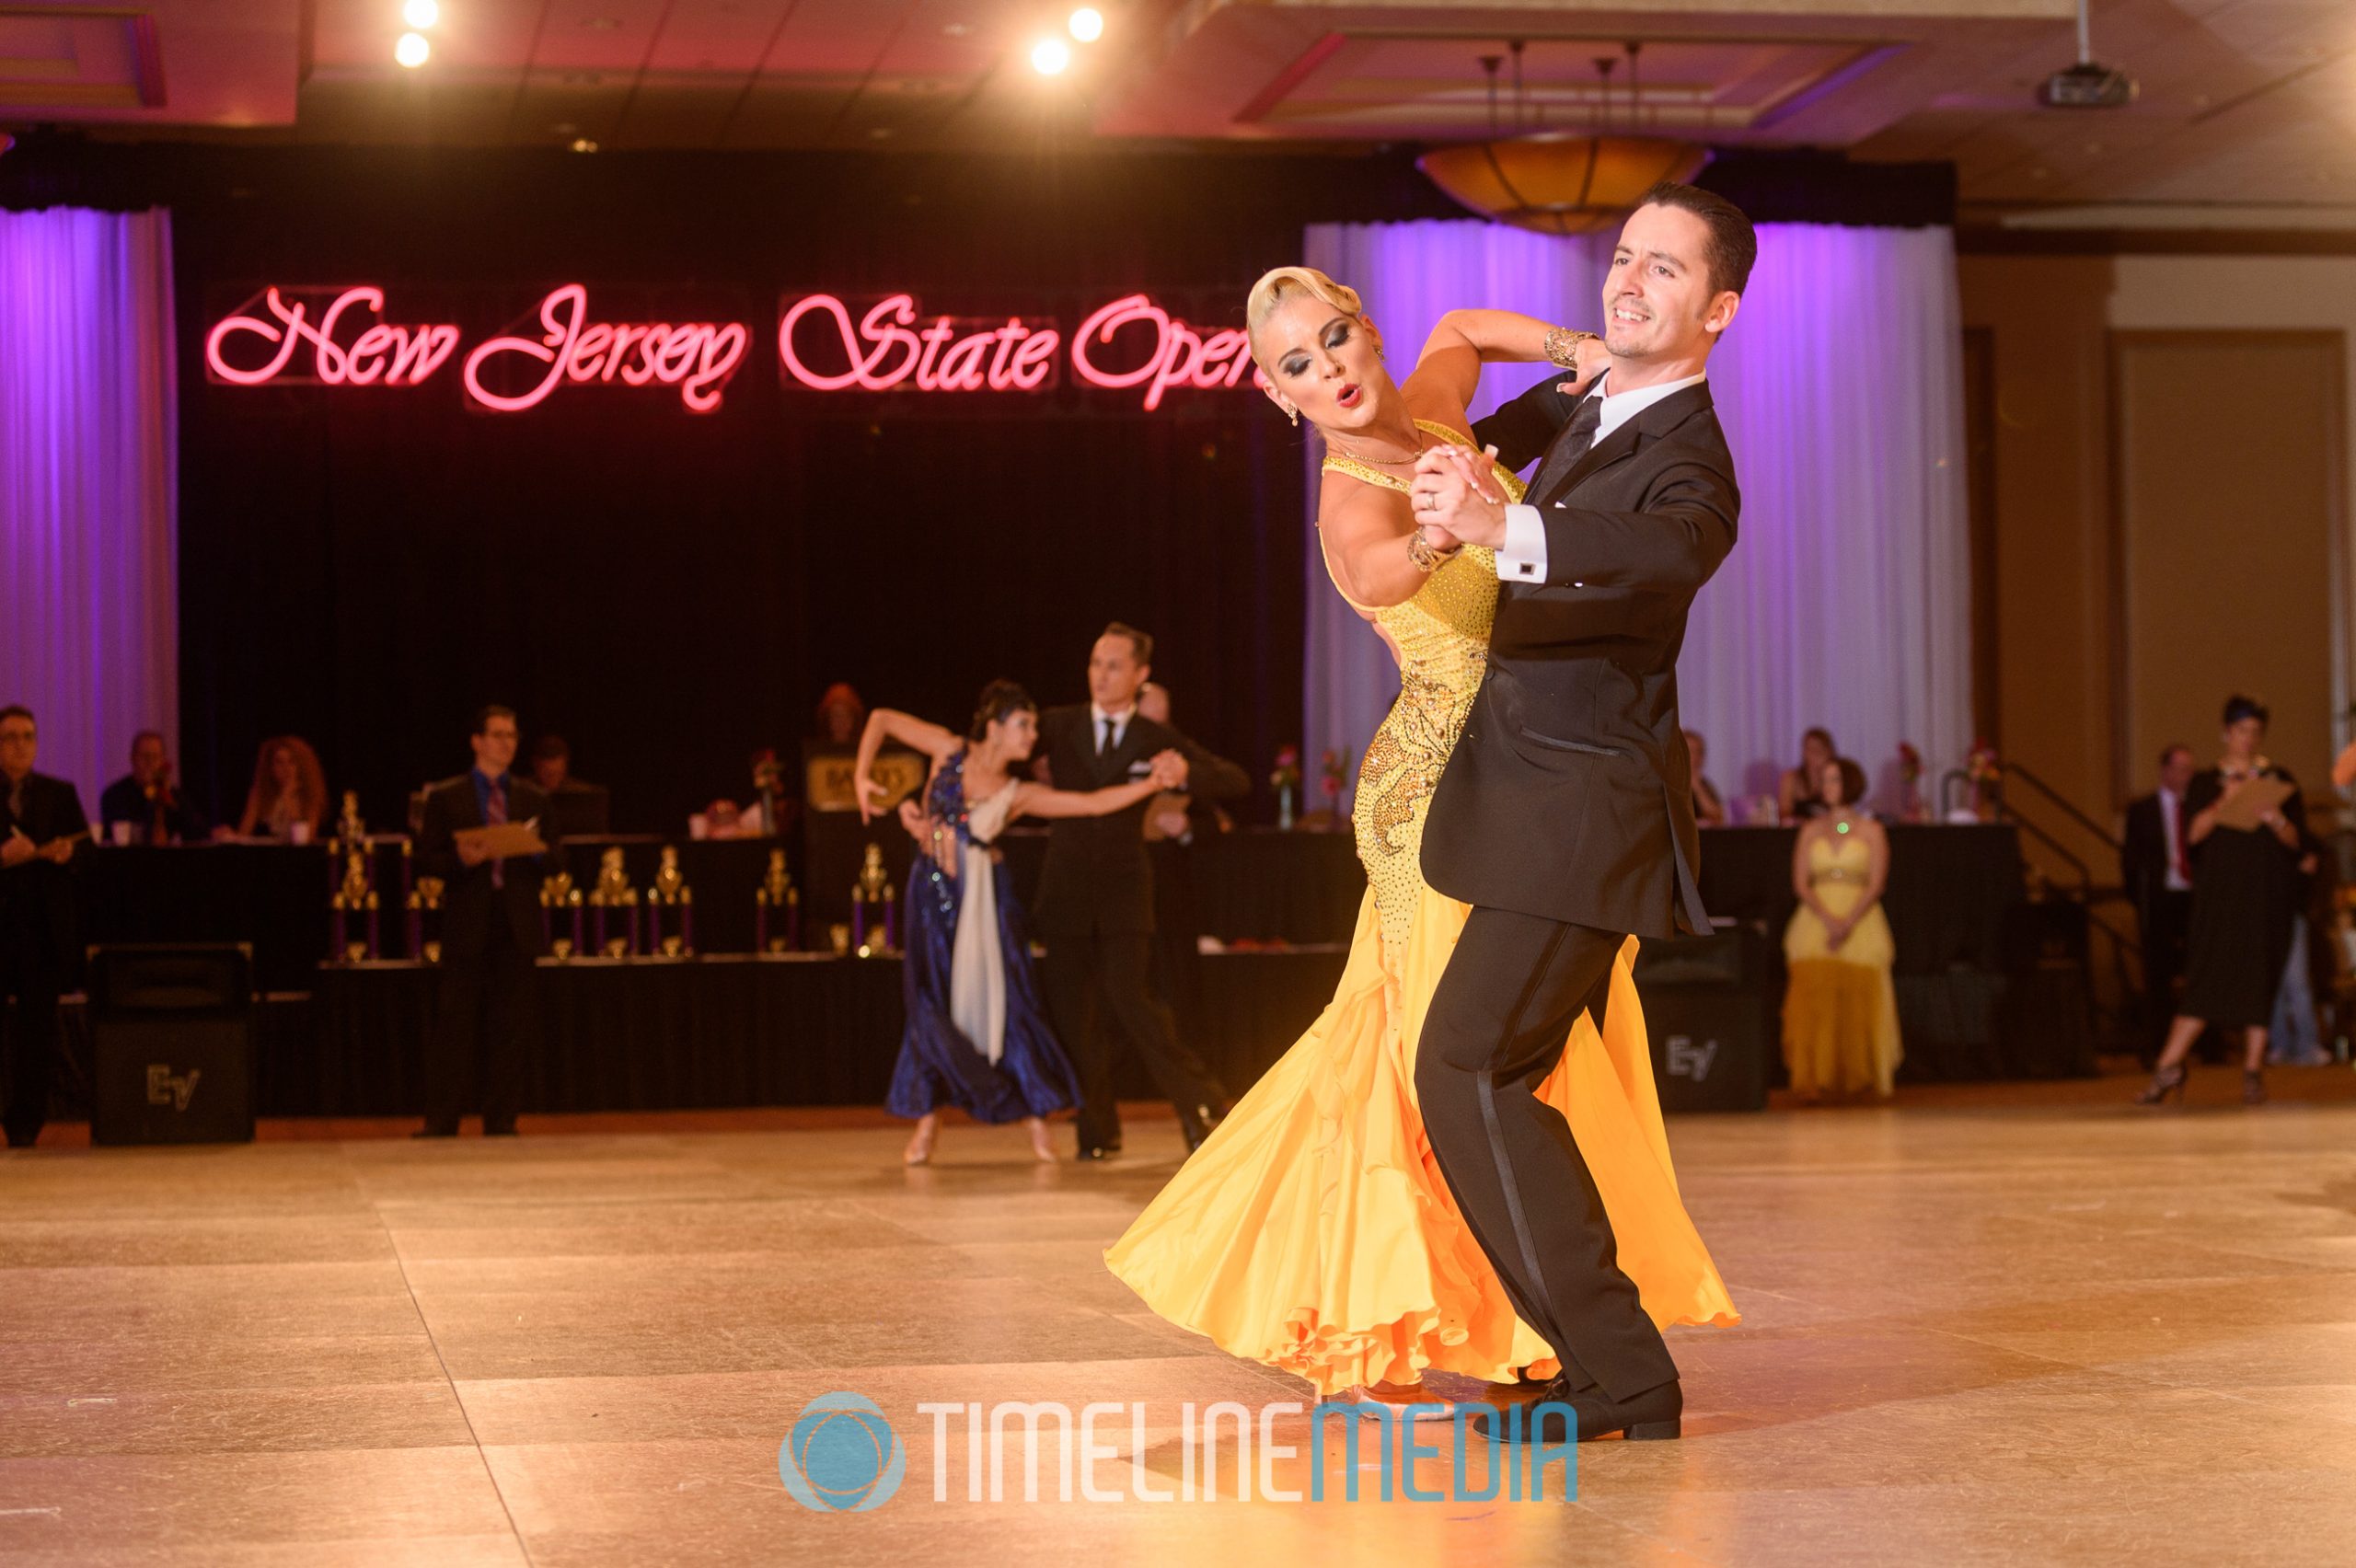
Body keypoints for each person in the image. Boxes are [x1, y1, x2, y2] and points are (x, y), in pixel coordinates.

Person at [1110, 218, 1737, 1420]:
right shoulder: (1351, 502)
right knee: (1439, 1065)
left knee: (1491, 1067)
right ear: (1276, 394)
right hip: (1439, 799)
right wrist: (1444, 528)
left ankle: (1543, 1334)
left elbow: (1460, 331)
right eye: (1296, 364)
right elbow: (1388, 569)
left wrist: (1576, 352)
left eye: (1335, 336)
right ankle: (1445, 1310)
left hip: (1526, 774)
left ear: (1365, 327)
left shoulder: (1435, 413)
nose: (1329, 368)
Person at [1402, 180, 1755, 1445]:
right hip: (1531, 804)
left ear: (1717, 310)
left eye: (1665, 269)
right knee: (1484, 1073)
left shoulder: (1693, 465)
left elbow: (1657, 553)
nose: (1630, 279)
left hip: (1585, 813)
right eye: (1623, 257)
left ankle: (1623, 1371)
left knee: (1469, 1065)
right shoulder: (1588, 401)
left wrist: (1512, 525)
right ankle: (1604, 1367)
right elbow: (1438, 409)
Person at [854, 683, 1186, 1166]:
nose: (1033, 736)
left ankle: (1035, 1119)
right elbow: (881, 715)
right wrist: (863, 777)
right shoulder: (948, 751)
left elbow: (1092, 804)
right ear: (995, 726)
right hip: (931, 898)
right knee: (931, 1005)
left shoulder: (1020, 793)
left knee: (1007, 1003)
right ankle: (927, 1125)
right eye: (1024, 725)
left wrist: (1152, 786)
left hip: (986, 906)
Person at [1033, 624, 1248, 1160]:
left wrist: (1184, 774)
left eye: (1112, 666)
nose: (1100, 676)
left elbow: (1234, 780)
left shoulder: (1154, 738)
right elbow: (993, 756)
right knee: (1073, 1015)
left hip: (1126, 895)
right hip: (1064, 892)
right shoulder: (1059, 725)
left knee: (1135, 1004)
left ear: (1139, 675)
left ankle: (1199, 1104)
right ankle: (1097, 1130)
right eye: (1094, 663)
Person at [2137, 696, 2310, 1106]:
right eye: (2241, 731)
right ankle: (2170, 1064)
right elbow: (2192, 836)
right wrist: (2225, 800)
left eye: (2255, 732)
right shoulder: (2204, 782)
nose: (2248, 739)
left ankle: (2252, 1071)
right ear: (2225, 733)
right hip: (2219, 899)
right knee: (2204, 978)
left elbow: (2295, 841)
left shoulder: (2279, 777)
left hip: (2265, 896)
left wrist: (2274, 816)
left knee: (2258, 978)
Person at [414, 706, 555, 1137]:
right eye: (496, 735)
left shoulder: (533, 797)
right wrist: (461, 857)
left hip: (516, 922)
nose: (505, 743)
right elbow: (426, 859)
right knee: (455, 1022)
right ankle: (442, 1121)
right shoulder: (447, 795)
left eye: (511, 736)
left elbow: (558, 856)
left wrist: (529, 847)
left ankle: (502, 1120)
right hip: (469, 919)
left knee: (510, 1026)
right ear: (476, 741)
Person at [1781, 756, 1900, 1100]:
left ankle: (1860, 1078)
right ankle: (1817, 1079)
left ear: (1849, 783)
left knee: (1860, 996)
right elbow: (1801, 884)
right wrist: (1828, 920)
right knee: (1815, 997)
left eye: (1834, 779)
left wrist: (1847, 922)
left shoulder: (1871, 830)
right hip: (1816, 919)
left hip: (1860, 918)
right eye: (1825, 780)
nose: (1827, 786)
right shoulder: (1810, 830)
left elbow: (1876, 883)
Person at [0, 706, 87, 1149]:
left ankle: (24, 1126)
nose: (19, 745)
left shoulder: (59, 793)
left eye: (27, 736)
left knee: (37, 1034)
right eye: (10, 737)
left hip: (40, 934)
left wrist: (66, 856)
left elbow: (86, 850)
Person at [2121, 744, 2199, 1061]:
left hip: (2193, 899)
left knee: (2199, 971)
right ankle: (2158, 1045)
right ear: (2165, 771)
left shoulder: (2197, 809)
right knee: (2157, 975)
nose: (2185, 777)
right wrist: (2141, 902)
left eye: (2189, 771)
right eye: (2180, 769)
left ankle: (2206, 1046)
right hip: (2159, 900)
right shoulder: (2143, 811)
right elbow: (2129, 862)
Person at [99, 731, 207, 844]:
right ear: (132, 758)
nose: (149, 762)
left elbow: (195, 829)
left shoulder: (172, 795)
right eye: (144, 756)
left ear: (163, 760)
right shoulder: (114, 795)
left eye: (155, 757)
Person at [231, 735, 329, 840]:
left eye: (292, 762)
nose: (286, 768)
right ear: (270, 767)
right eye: (279, 762)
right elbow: (243, 835)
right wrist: (229, 836)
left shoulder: (310, 794)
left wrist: (288, 799)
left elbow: (305, 838)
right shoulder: (261, 793)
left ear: (300, 765)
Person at [529, 736, 611, 839]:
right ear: (535, 765)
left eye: (557, 774)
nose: (552, 779)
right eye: (547, 774)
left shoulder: (583, 794)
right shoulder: (524, 792)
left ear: (565, 765)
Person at [1779, 728, 1837, 823]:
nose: (1814, 753)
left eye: (1819, 749)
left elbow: (1843, 809)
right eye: (1809, 749)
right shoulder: (1792, 778)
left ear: (1828, 751)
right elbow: (1784, 812)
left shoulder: (1836, 778)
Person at [1684, 727, 1727, 827]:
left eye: (1699, 752)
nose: (1696, 758)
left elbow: (1718, 817)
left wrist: (1697, 787)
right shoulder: (1671, 786)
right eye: (1690, 751)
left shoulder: (1704, 784)